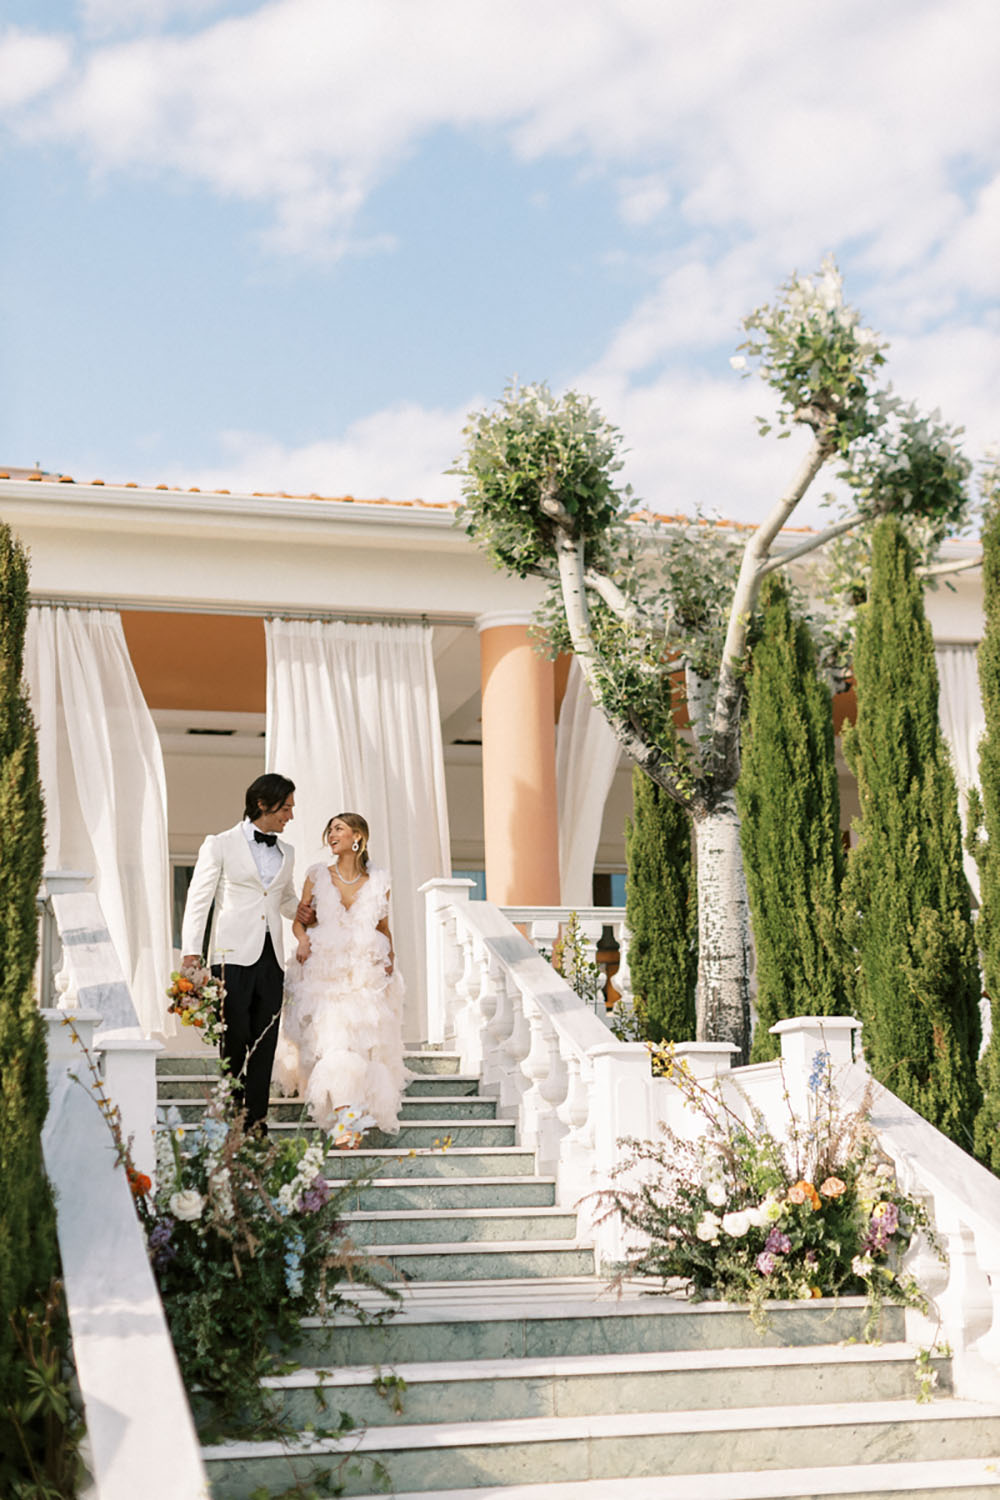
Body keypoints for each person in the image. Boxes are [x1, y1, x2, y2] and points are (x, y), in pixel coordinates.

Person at [274, 812, 407, 1146]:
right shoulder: (317, 875)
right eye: (329, 830)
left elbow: (383, 928)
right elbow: (300, 920)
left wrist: (390, 959)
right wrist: (302, 939)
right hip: (324, 977)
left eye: (338, 829)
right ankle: (347, 1122)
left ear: (357, 836)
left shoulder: (379, 880)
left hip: (364, 977)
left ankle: (350, 1117)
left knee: (360, 1049)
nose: (331, 835)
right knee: (335, 1043)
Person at [180, 773, 302, 1131]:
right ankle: (231, 1119)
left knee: (265, 1042)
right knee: (233, 1039)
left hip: (272, 958)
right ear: (263, 804)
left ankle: (257, 1122)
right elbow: (198, 900)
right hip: (230, 957)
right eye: (287, 808)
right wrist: (191, 952)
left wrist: (313, 910)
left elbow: (286, 900)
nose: (290, 816)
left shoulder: (287, 852)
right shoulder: (219, 844)